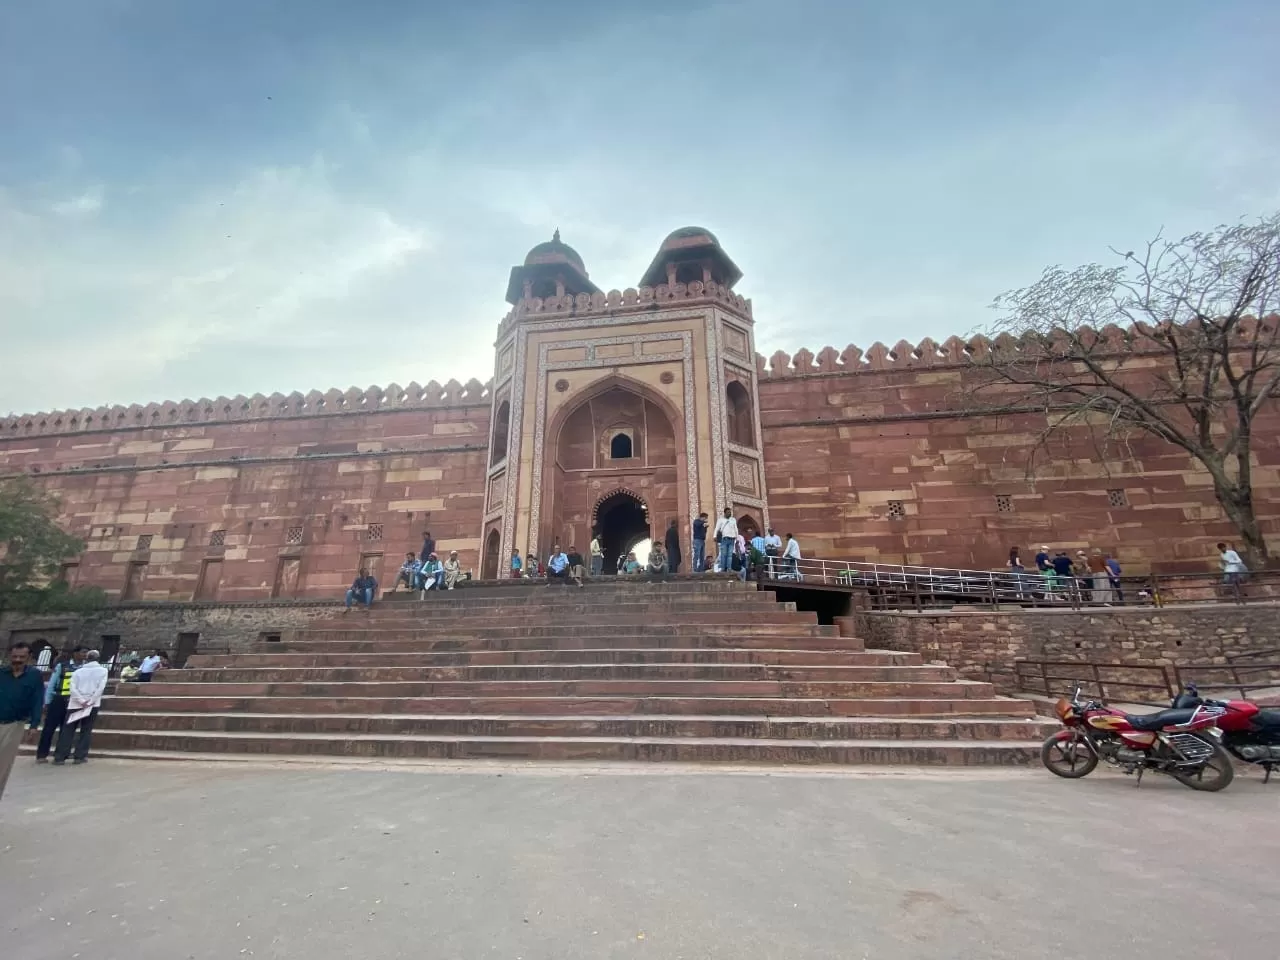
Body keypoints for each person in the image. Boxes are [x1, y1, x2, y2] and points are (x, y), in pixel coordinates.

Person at [2, 641, 45, 800]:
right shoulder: (1, 673)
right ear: (9, 656)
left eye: (22, 657)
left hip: (14, 725)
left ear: (29, 658)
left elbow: (37, 700)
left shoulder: (34, 676)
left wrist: (34, 725)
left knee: (2, 767)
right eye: (14, 656)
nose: (18, 660)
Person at [54, 650, 108, 765]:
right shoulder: (103, 671)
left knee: (68, 730)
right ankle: (79, 756)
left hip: (75, 704)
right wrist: (90, 701)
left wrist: (81, 700)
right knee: (86, 730)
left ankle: (60, 756)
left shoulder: (78, 671)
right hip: (92, 704)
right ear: (98, 659)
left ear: (87, 659)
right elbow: (100, 688)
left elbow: (72, 688)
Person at [36, 646, 85, 763]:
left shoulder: (84, 668)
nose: (85, 655)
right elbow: (52, 683)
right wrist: (47, 701)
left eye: (87, 653)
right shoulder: (62, 666)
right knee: (49, 727)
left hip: (74, 701)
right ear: (75, 653)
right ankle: (42, 754)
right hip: (58, 698)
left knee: (67, 729)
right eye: (83, 652)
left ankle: (61, 755)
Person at [713, 508, 738, 576]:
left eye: (730, 512)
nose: (729, 513)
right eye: (728, 512)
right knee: (723, 554)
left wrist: (737, 537)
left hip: (732, 539)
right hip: (724, 539)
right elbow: (717, 528)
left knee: (730, 555)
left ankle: (729, 568)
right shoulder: (721, 520)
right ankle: (723, 568)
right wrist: (714, 536)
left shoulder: (733, 519)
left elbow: (735, 528)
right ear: (725, 513)